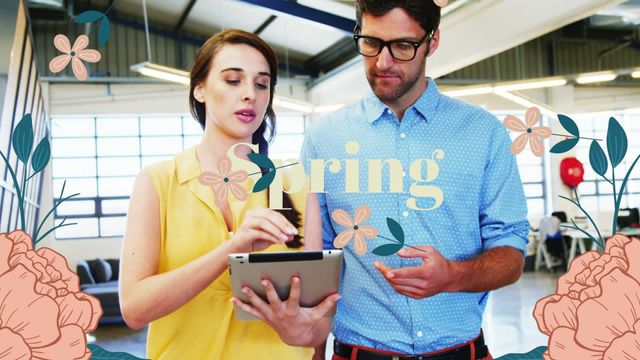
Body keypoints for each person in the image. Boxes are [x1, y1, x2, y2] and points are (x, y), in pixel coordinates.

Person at [236, 1, 530, 359]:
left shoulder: (483, 134)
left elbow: (511, 256)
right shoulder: (323, 138)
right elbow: (317, 257)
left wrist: (453, 275)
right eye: (371, 43)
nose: (383, 62)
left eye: (403, 46)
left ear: (432, 42)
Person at [119, 29, 337, 359]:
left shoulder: (295, 182)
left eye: (261, 84)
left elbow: (317, 329)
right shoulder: (158, 181)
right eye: (233, 80)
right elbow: (134, 309)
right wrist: (234, 249)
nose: (250, 93)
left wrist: (296, 327)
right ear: (201, 89)